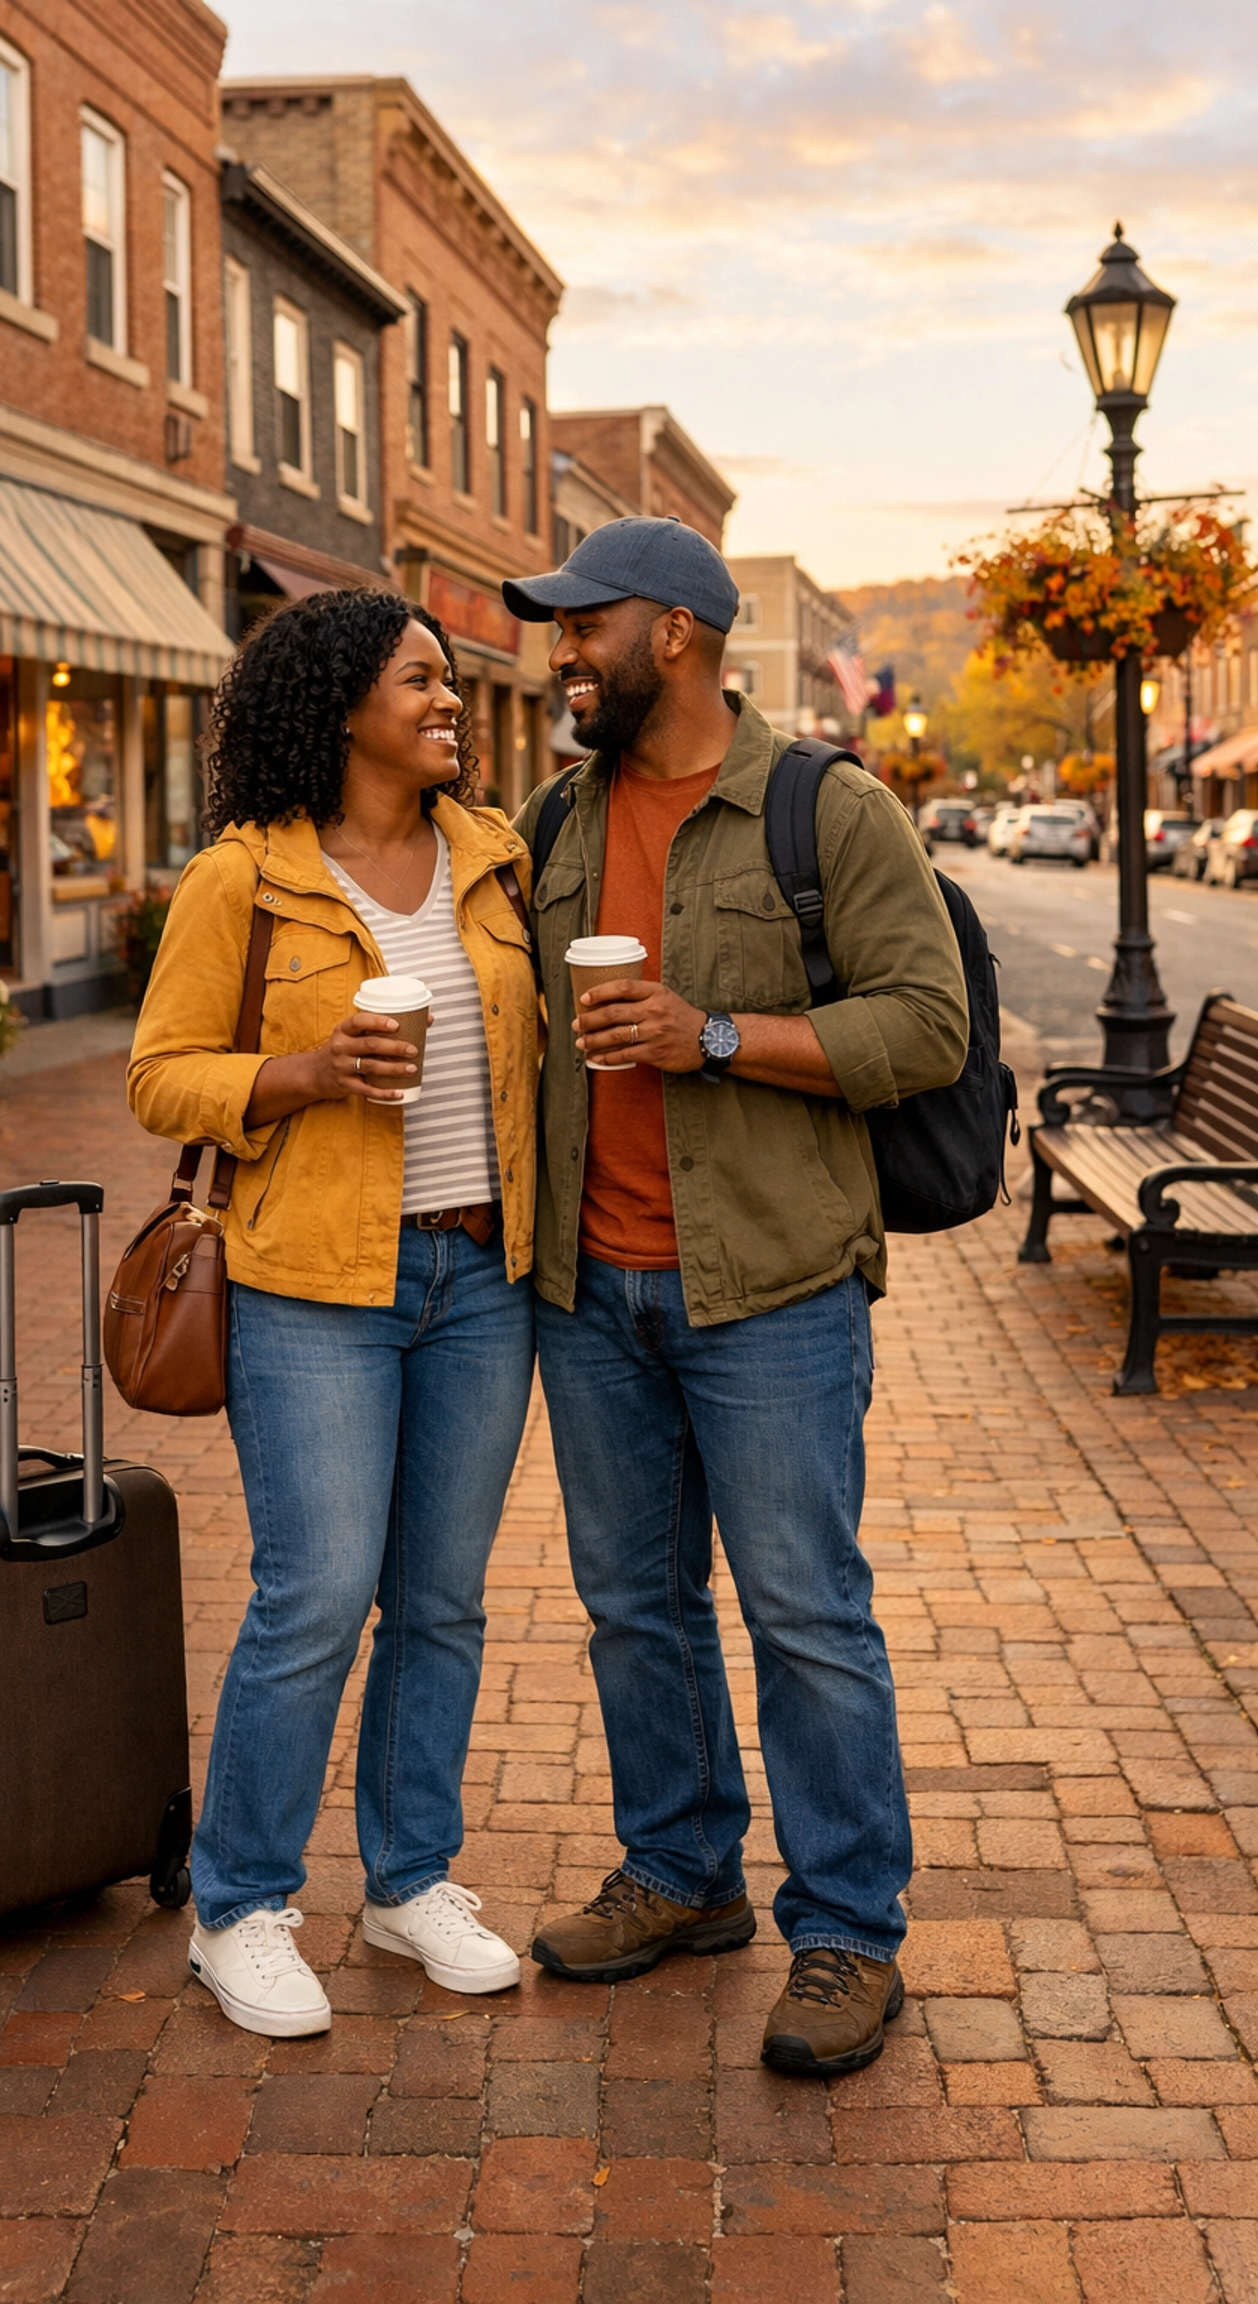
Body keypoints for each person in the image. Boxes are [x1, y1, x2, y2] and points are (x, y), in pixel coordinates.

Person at [503, 518, 969, 2077]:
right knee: (636, 1610)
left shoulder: (826, 810)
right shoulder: (555, 820)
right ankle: (682, 1874)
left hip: (771, 1288)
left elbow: (925, 1029)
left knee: (806, 1616)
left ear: (681, 635)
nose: (564, 650)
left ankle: (846, 1934)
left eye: (587, 624)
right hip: (592, 1291)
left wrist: (711, 1034)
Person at [128, 589, 539, 2039]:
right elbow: (163, 1076)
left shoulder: (498, 862)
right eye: (420, 680)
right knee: (314, 1594)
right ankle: (237, 1906)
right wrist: (303, 1072)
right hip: (312, 1288)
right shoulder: (243, 879)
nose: (449, 703)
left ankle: (411, 1879)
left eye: (449, 683)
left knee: (441, 1598)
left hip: (483, 1280)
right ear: (340, 705)